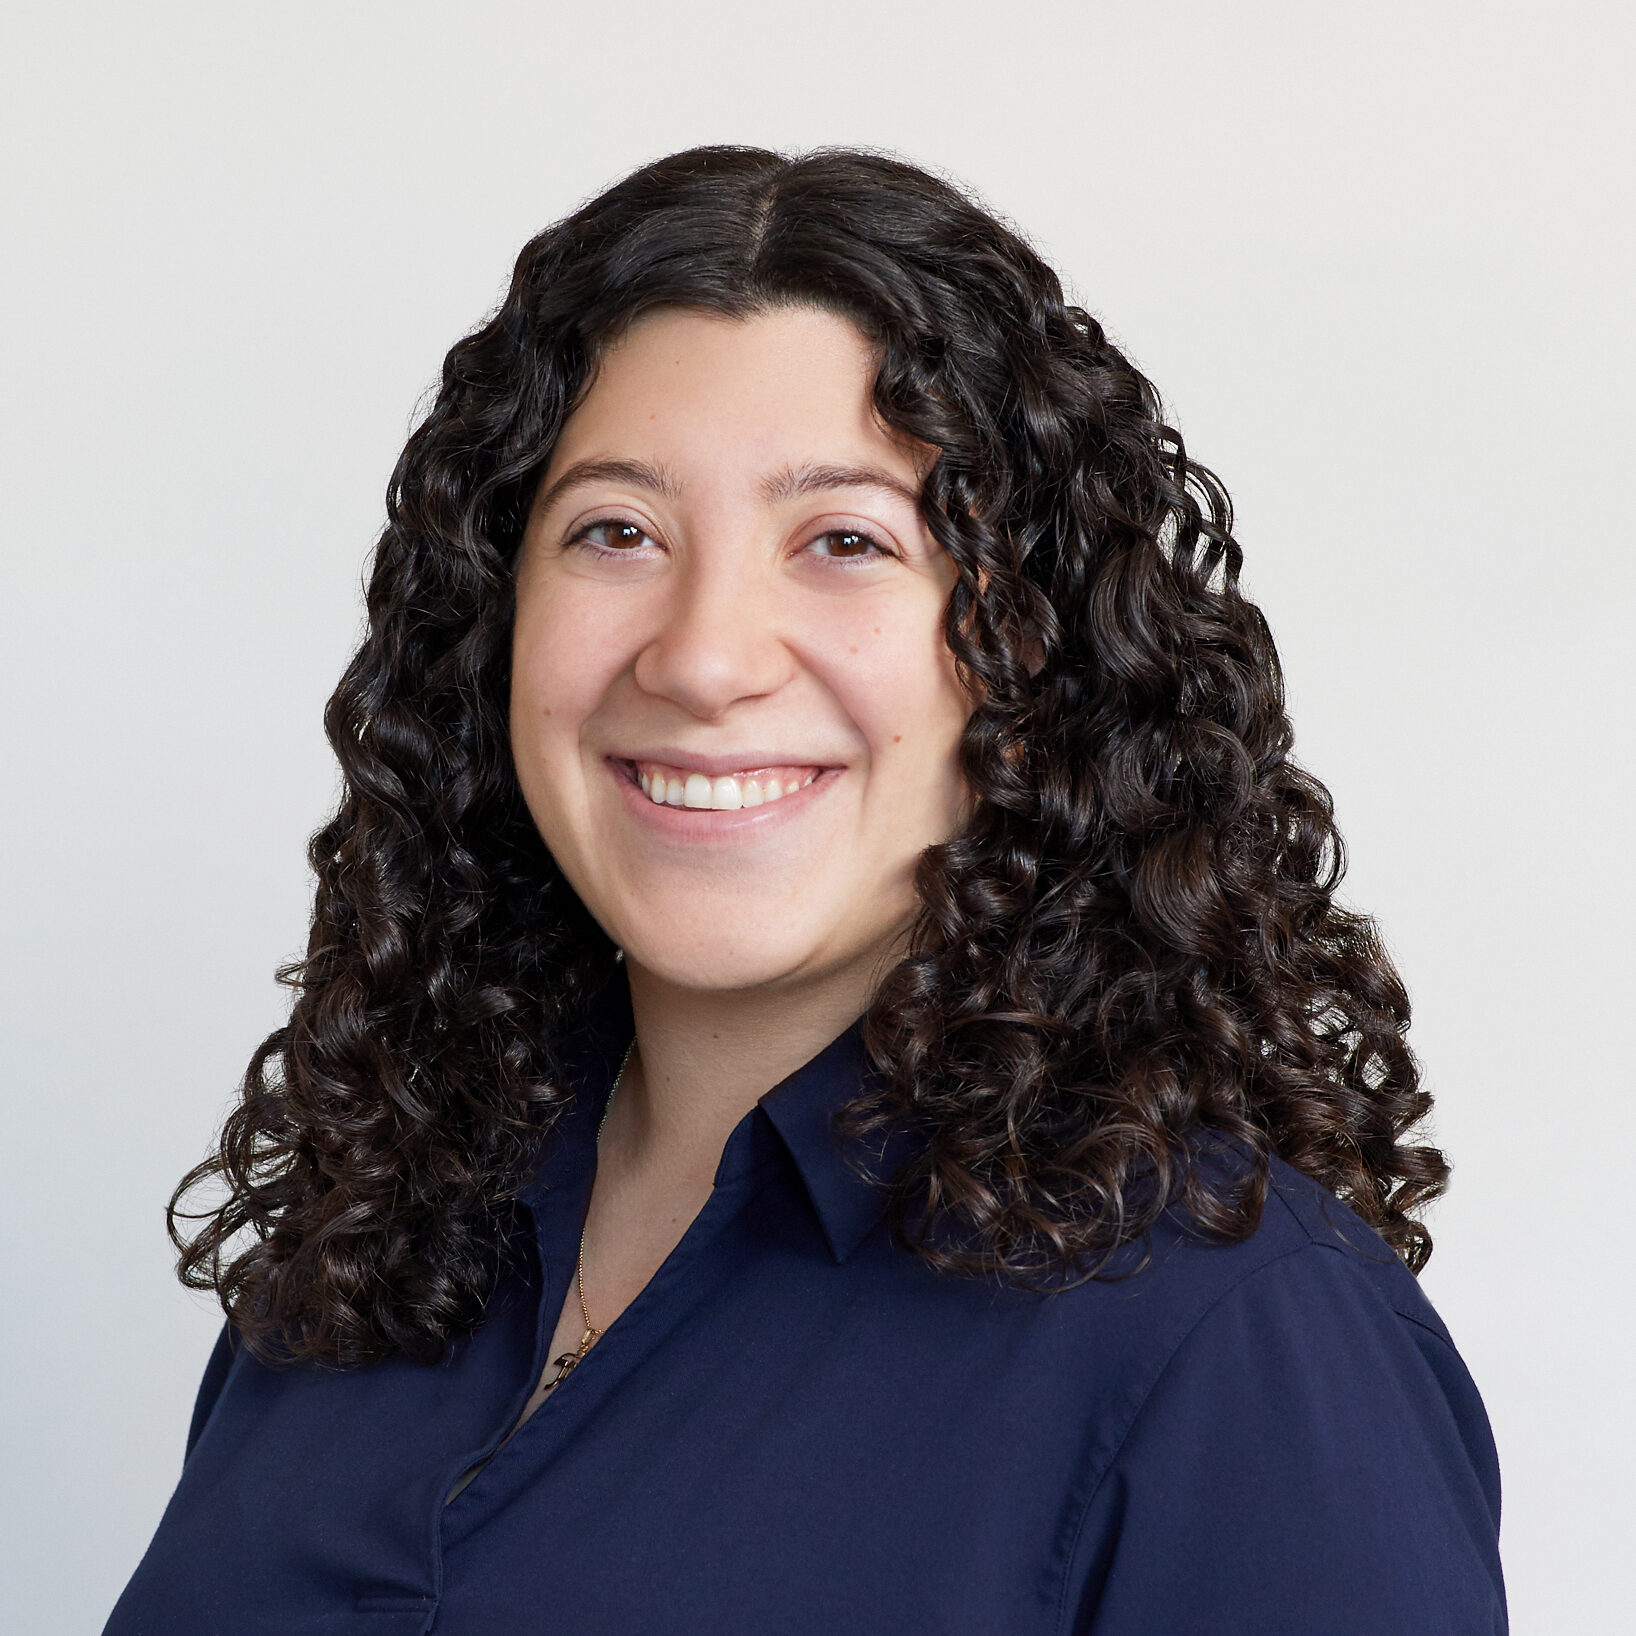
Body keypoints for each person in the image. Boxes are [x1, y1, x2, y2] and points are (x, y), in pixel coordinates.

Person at [105, 145, 1507, 1634]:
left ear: (1035, 660)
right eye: (617, 533)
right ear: (491, 629)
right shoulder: (374, 1245)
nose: (705, 656)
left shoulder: (1239, 1339)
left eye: (845, 541)